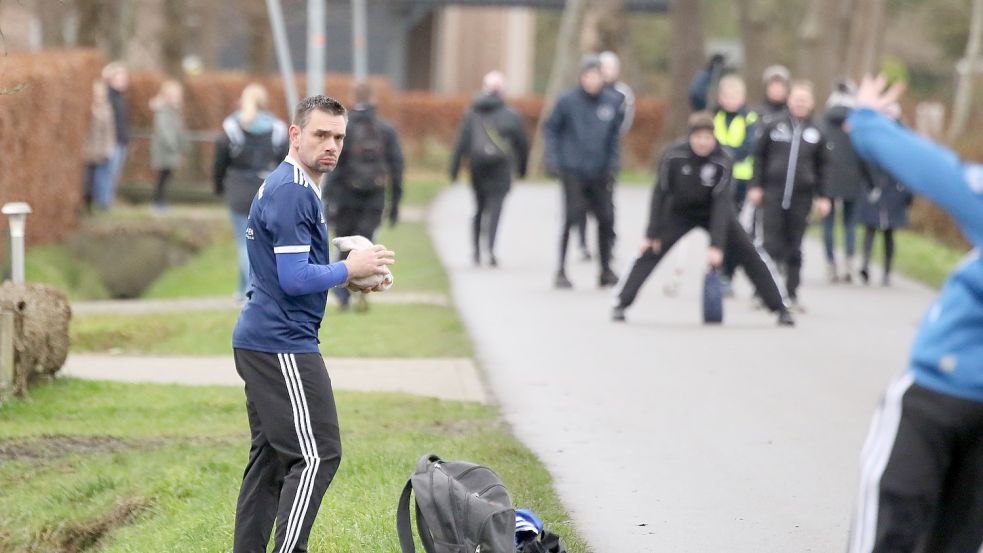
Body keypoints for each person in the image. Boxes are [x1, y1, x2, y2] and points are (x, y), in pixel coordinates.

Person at [231, 94, 395, 553]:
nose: (332, 146)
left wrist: (352, 280)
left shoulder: (298, 186)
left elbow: (295, 274)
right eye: (321, 134)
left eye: (338, 137)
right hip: (281, 344)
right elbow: (294, 277)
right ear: (296, 135)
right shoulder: (290, 192)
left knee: (270, 461)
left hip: (265, 338)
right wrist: (349, 268)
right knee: (318, 453)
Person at [846, 74, 983, 553]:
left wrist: (866, 121)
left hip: (937, 393)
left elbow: (935, 171)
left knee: (895, 524)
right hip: (944, 392)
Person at [612, 112, 793, 326]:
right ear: (690, 137)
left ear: (714, 139)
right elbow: (660, 193)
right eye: (698, 138)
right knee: (650, 251)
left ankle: (780, 307)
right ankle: (621, 303)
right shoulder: (673, 155)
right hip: (678, 212)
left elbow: (721, 203)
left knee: (749, 252)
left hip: (713, 212)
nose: (702, 143)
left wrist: (717, 245)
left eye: (707, 138)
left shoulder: (723, 160)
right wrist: (651, 233)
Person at [749, 80, 831, 311]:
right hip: (773, 193)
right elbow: (759, 157)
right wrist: (756, 186)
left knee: (794, 247)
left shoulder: (818, 132)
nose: (800, 104)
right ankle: (762, 292)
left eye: (804, 100)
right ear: (789, 100)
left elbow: (824, 167)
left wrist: (824, 197)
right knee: (769, 245)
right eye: (796, 99)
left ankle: (792, 293)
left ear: (812, 103)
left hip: (801, 197)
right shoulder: (773, 126)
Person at [544, 55, 624, 289]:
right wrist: (554, 159)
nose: (592, 81)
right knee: (571, 217)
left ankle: (605, 269)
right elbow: (551, 129)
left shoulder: (612, 102)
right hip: (573, 169)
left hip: (600, 170)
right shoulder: (567, 101)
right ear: (581, 78)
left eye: (596, 76)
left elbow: (613, 139)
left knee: (606, 219)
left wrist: (613, 164)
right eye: (587, 76)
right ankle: (561, 269)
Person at [324, 82, 404, 311]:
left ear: (352, 98)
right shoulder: (385, 130)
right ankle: (359, 289)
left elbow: (334, 164)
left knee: (344, 242)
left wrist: (328, 197)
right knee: (365, 244)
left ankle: (342, 294)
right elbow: (397, 167)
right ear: (374, 100)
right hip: (375, 197)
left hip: (345, 195)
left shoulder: (343, 129)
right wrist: (395, 202)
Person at [213, 83, 289, 300]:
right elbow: (285, 161)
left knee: (243, 242)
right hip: (268, 191)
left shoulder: (231, 128)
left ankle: (249, 291)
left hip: (239, 191)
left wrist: (219, 187)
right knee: (261, 242)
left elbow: (220, 162)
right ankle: (244, 289)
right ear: (265, 103)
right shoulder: (277, 129)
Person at [450, 70, 529, 267]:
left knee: (479, 208)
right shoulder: (511, 115)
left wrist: (454, 168)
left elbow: (462, 143)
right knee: (496, 208)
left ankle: (476, 250)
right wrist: (522, 169)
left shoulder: (472, 113)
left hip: (477, 166)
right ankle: (491, 249)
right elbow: (522, 144)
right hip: (501, 167)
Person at [858, 103, 912, 287]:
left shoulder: (904, 137)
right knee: (870, 228)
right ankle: (865, 265)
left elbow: (909, 168)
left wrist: (906, 194)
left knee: (889, 233)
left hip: (895, 190)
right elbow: (864, 161)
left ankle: (887, 271)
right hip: (874, 187)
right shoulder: (873, 135)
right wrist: (869, 184)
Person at [820, 80, 868, 283]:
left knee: (828, 224)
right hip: (853, 178)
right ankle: (849, 264)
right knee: (849, 225)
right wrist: (870, 182)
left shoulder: (824, 122)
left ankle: (831, 264)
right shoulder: (858, 123)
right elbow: (865, 155)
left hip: (828, 179)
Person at [149, 80, 186, 211]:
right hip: (164, 150)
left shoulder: (173, 110)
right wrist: (173, 145)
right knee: (162, 177)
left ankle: (161, 202)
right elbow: (165, 130)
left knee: (166, 176)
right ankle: (158, 202)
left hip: (170, 149)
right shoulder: (164, 111)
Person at [83, 80, 117, 213]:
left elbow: (109, 131)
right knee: (86, 180)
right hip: (86, 150)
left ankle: (95, 205)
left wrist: (108, 148)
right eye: (97, 95)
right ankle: (86, 205)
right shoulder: (85, 108)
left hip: (99, 151)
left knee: (96, 180)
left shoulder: (107, 109)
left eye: (102, 95)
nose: (99, 98)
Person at [102, 62, 130, 209]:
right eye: (121, 77)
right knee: (109, 172)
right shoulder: (109, 97)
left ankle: (109, 199)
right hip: (112, 141)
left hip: (120, 140)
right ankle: (105, 202)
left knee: (115, 173)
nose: (124, 80)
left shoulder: (120, 98)